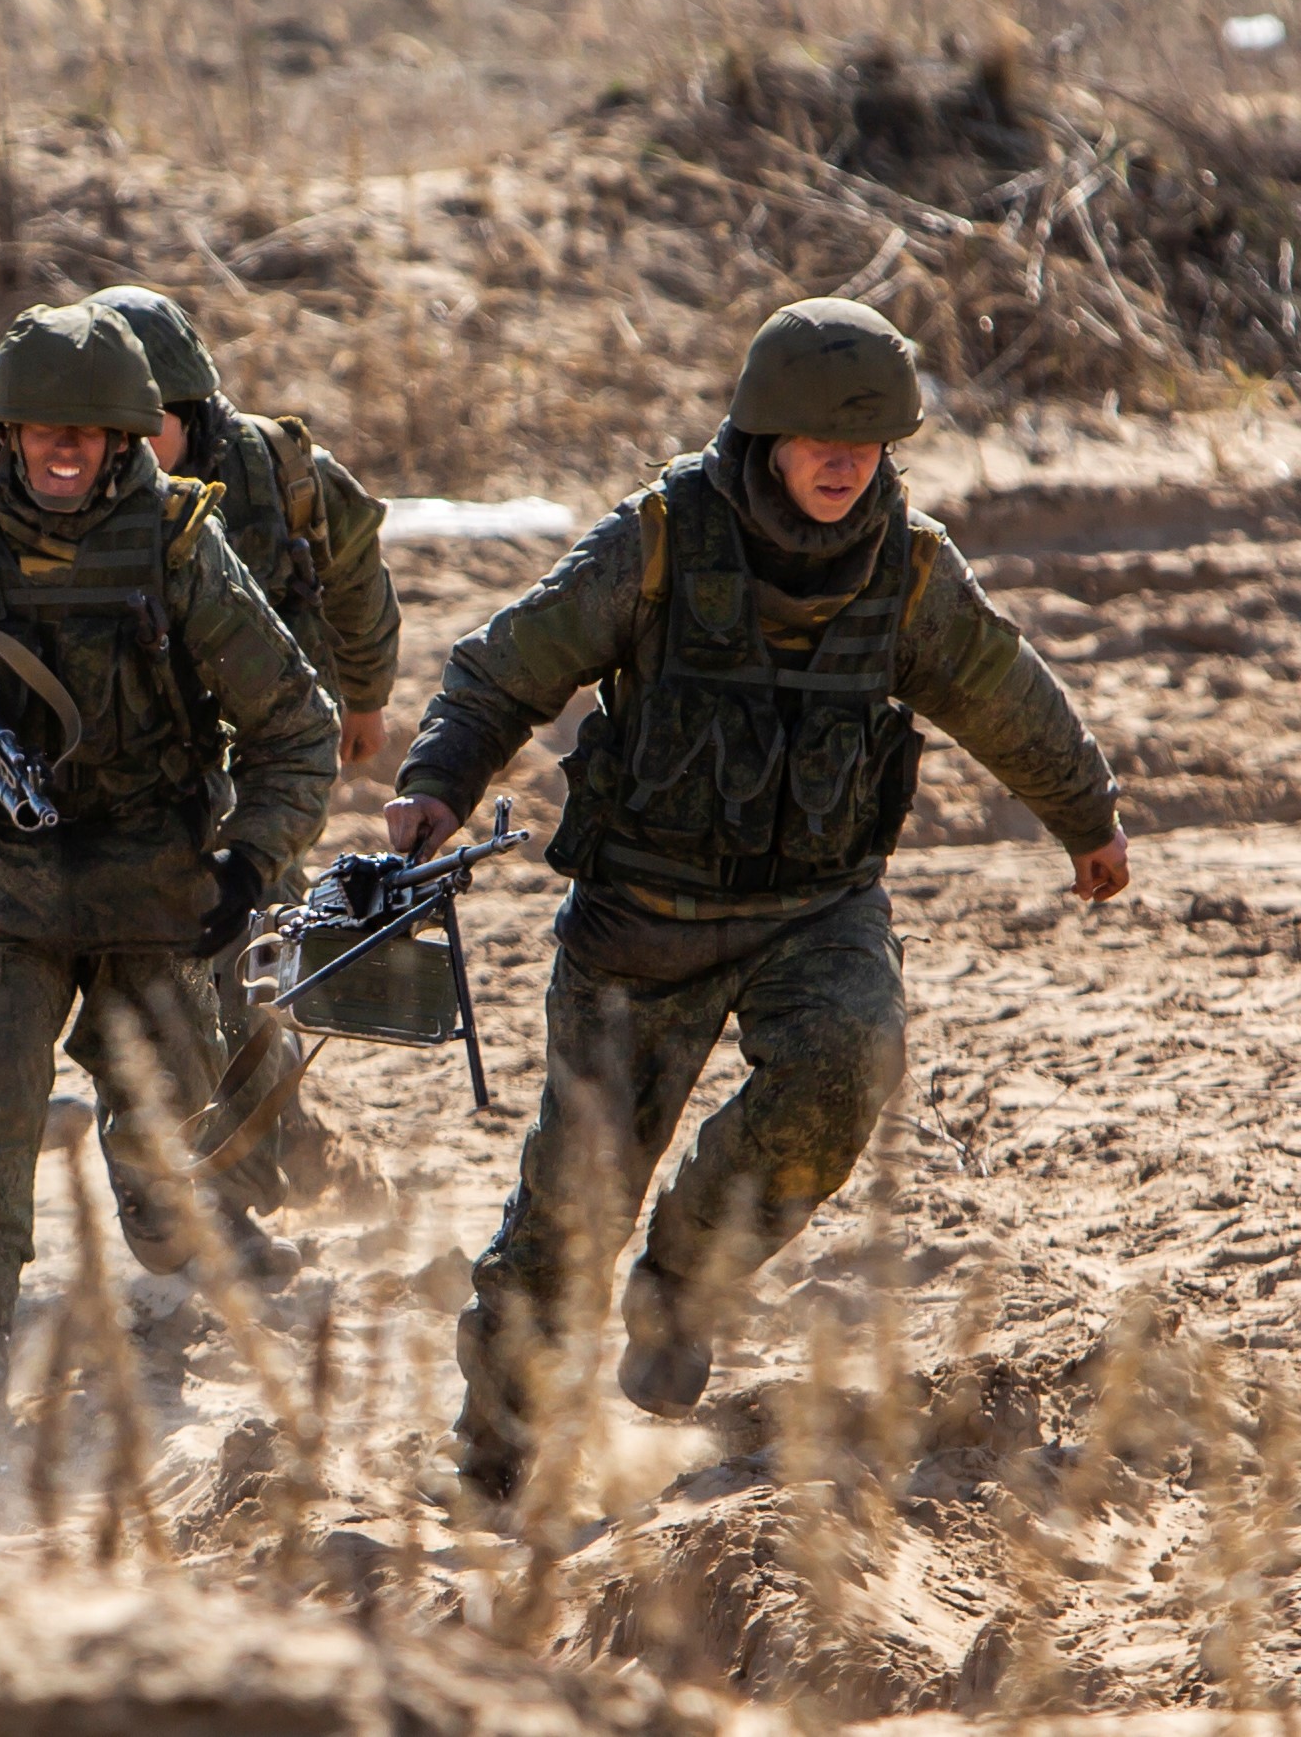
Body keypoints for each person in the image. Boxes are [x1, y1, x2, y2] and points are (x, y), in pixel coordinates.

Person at [380, 298, 1129, 1509]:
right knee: (571, 1211)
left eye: (866, 444)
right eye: (814, 439)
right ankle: (495, 1453)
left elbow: (1001, 692)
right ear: (758, 439)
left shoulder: (910, 567)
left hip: (812, 910)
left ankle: (680, 1290)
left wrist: (1083, 816)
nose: (842, 463)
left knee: (848, 1056)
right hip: (640, 924)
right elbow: (502, 666)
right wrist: (435, 786)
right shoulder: (661, 538)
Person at [0, 302, 341, 1422]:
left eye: (89, 433)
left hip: (157, 886)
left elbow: (296, 724)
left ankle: (174, 1233)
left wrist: (250, 865)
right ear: (3, 432)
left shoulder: (179, 544)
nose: (64, 450)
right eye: (42, 429)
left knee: (164, 1123)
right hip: (0, 889)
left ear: (125, 438)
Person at [91, 284, 401, 1200]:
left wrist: (367, 697)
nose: (127, 457)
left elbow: (358, 579)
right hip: (148, 767)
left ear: (191, 414)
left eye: (147, 433)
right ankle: (251, 1150)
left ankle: (278, 1141)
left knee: (259, 945)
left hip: (268, 752)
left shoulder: (284, 471)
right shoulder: (85, 501)